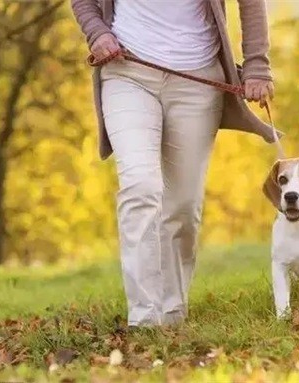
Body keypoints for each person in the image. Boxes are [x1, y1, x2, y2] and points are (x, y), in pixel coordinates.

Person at [70, 0, 277, 327]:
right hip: (127, 71)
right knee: (140, 186)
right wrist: (97, 33)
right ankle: (145, 319)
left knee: (183, 206)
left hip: (197, 80)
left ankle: (171, 313)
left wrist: (256, 65)